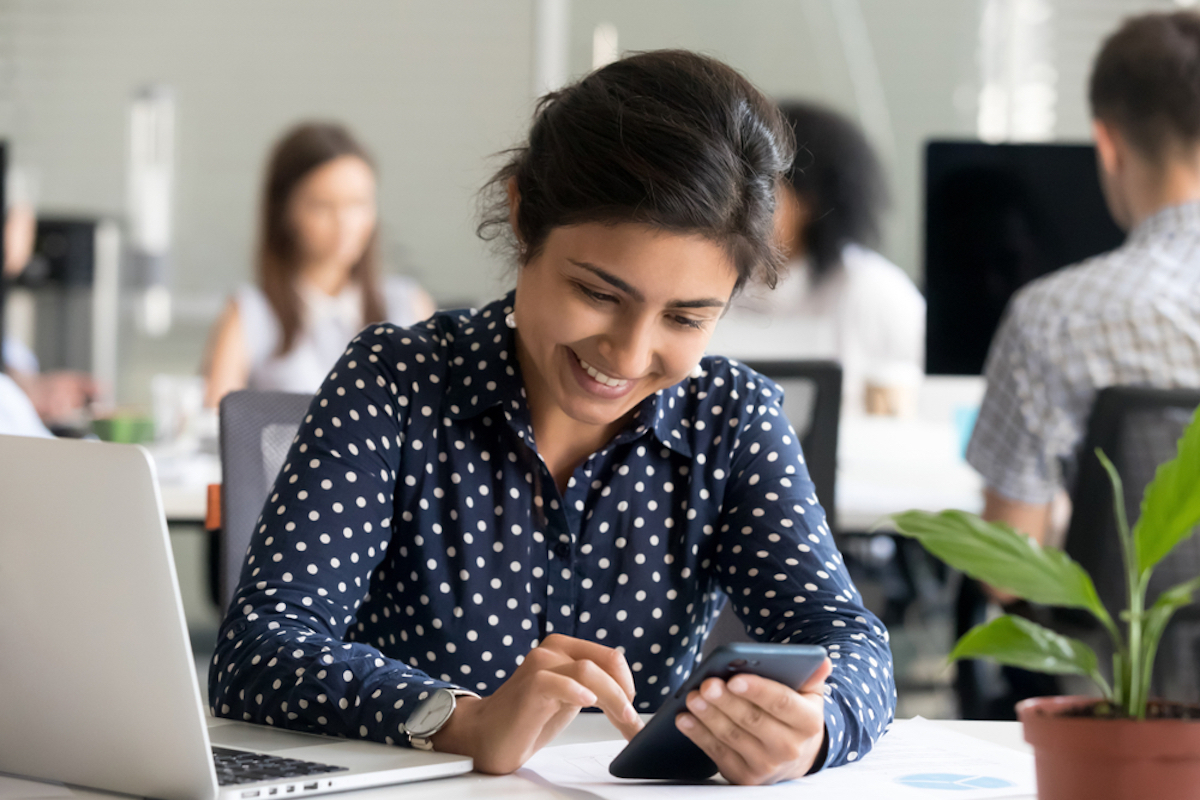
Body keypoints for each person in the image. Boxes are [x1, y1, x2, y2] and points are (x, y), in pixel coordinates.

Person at [209, 51, 894, 785]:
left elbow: (848, 641)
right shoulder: (397, 383)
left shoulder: (731, 421)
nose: (629, 355)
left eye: (687, 318)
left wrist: (816, 729)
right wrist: (459, 719)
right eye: (599, 294)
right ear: (521, 213)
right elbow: (260, 650)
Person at [706, 101, 925, 416]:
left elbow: (932, 396)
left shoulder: (874, 290)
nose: (737, 201)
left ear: (809, 200)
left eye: (761, 186)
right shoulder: (716, 276)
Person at [202, 122, 435, 407]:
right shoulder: (251, 312)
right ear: (285, 211)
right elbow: (214, 423)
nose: (345, 224)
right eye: (323, 206)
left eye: (358, 204)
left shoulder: (407, 306)